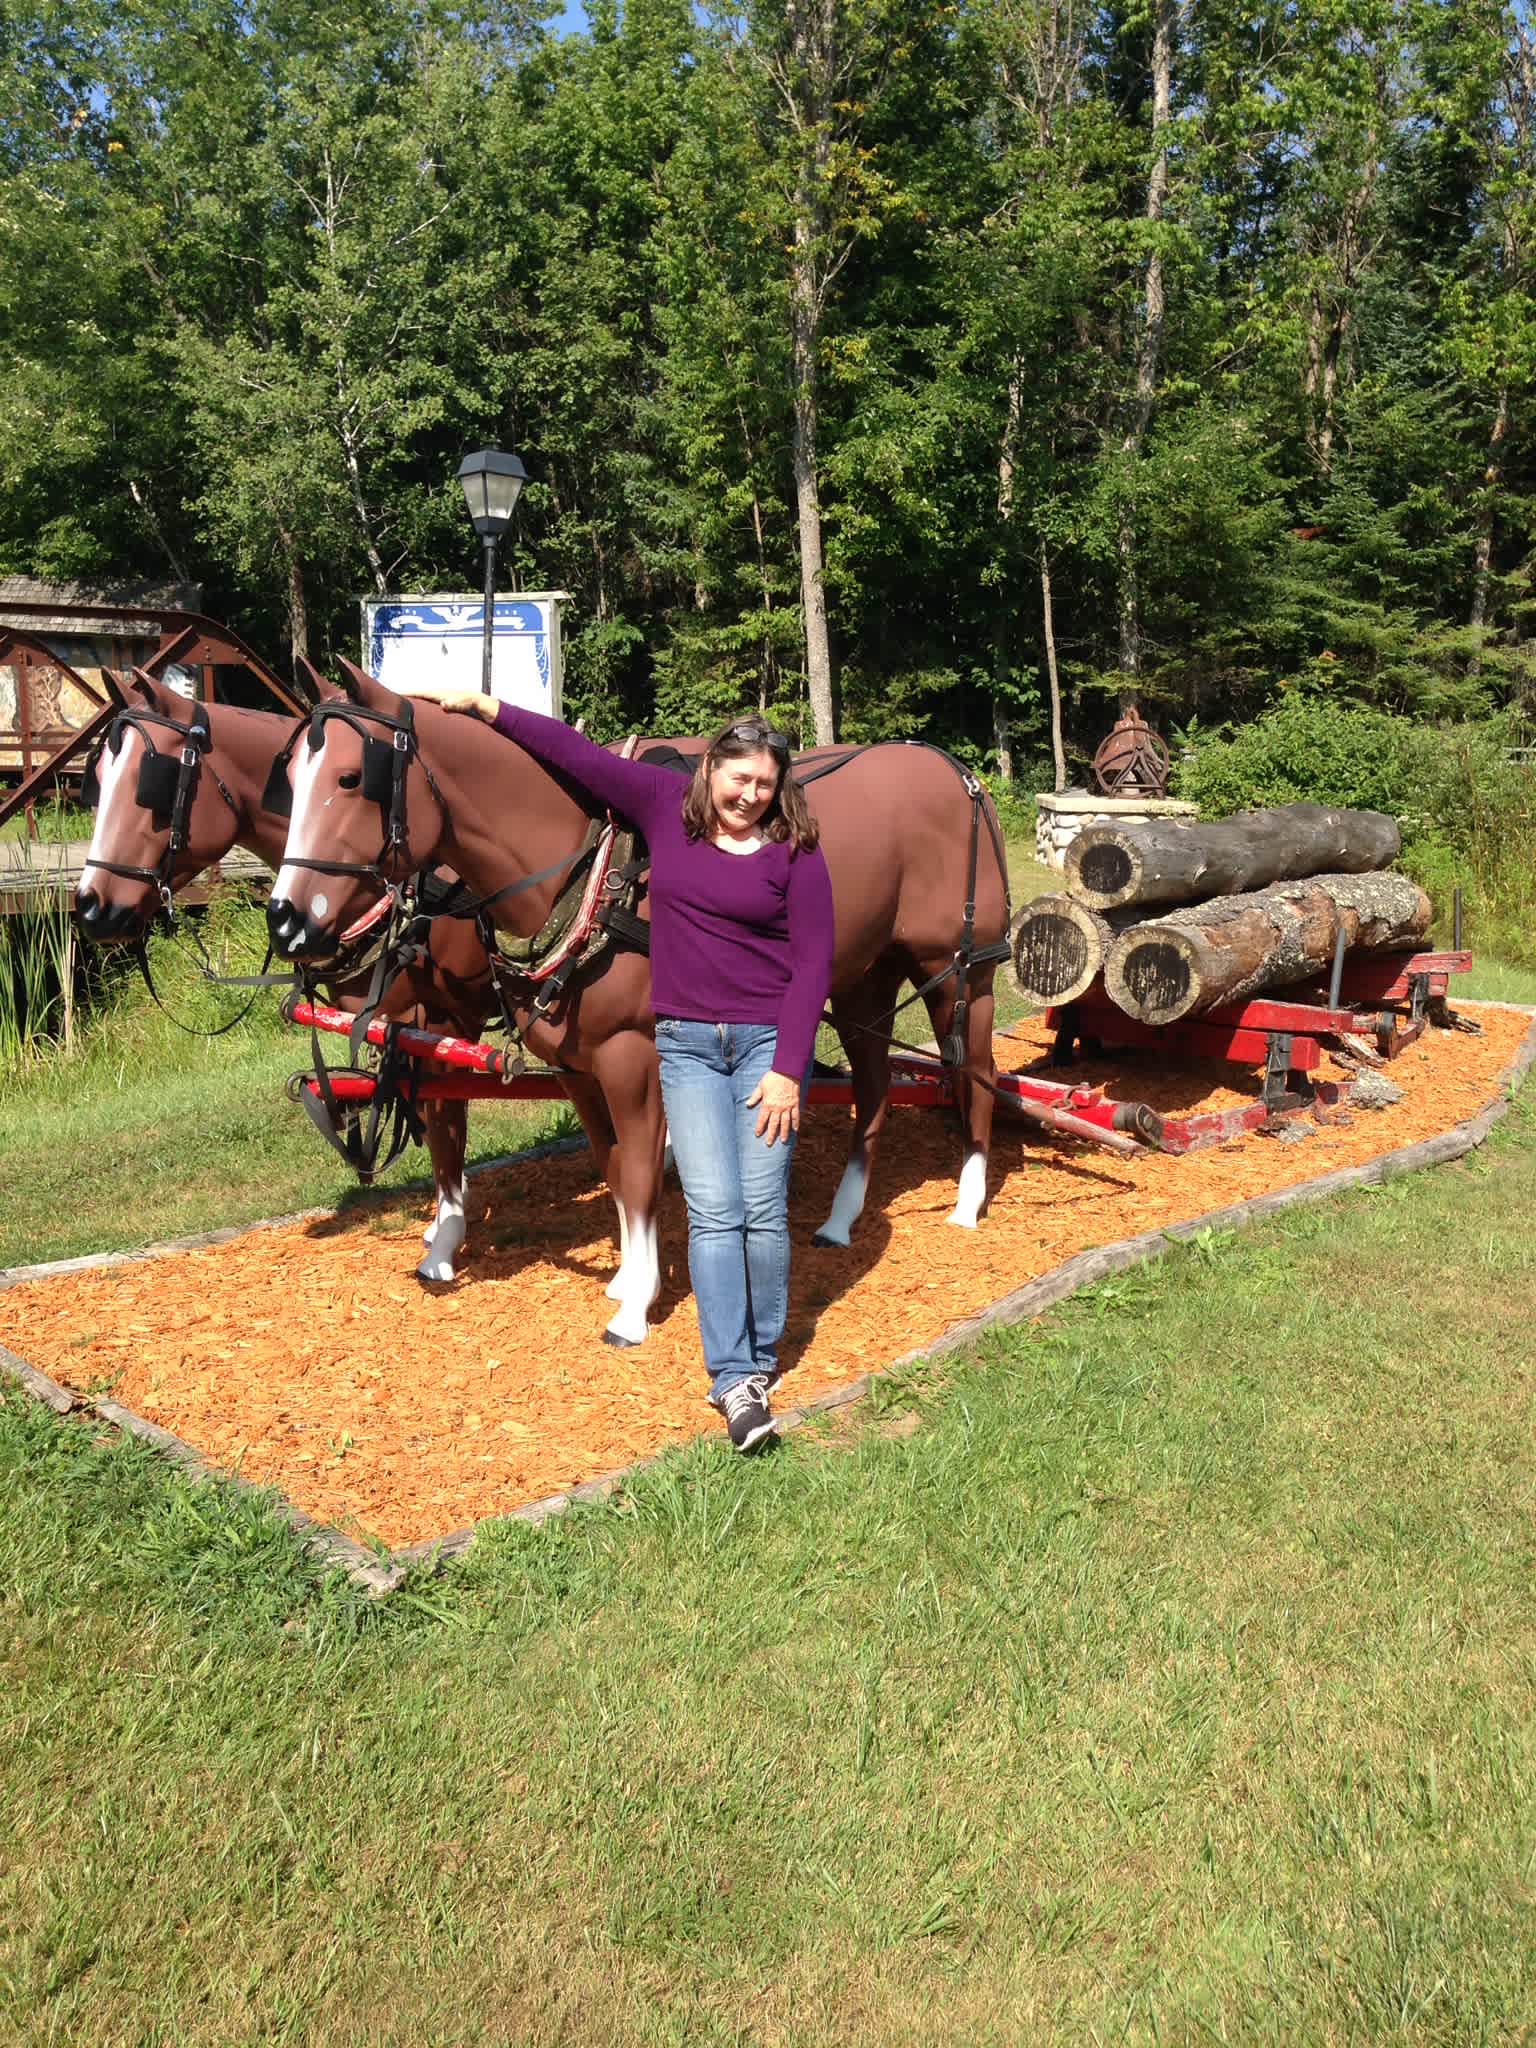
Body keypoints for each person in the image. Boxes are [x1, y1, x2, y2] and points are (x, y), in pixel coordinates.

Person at [439, 693, 836, 1452]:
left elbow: (814, 963)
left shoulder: (795, 850)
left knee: (761, 1208)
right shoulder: (662, 807)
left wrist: (790, 1068)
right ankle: (734, 1377)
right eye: (739, 778)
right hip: (686, 1048)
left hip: (765, 1048)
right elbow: (574, 754)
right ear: (710, 769)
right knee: (714, 1211)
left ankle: (759, 1354)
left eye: (765, 783)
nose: (750, 795)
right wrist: (487, 708)